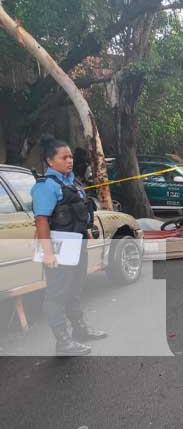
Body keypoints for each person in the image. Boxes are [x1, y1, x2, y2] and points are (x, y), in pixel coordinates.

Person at [31, 135, 108, 356]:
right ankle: (63, 341)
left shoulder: (72, 182)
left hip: (77, 242)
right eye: (64, 157)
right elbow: (41, 220)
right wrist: (48, 253)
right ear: (49, 161)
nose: (70, 160)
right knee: (57, 294)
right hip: (58, 247)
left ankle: (80, 330)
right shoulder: (46, 187)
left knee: (75, 288)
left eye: (71, 156)